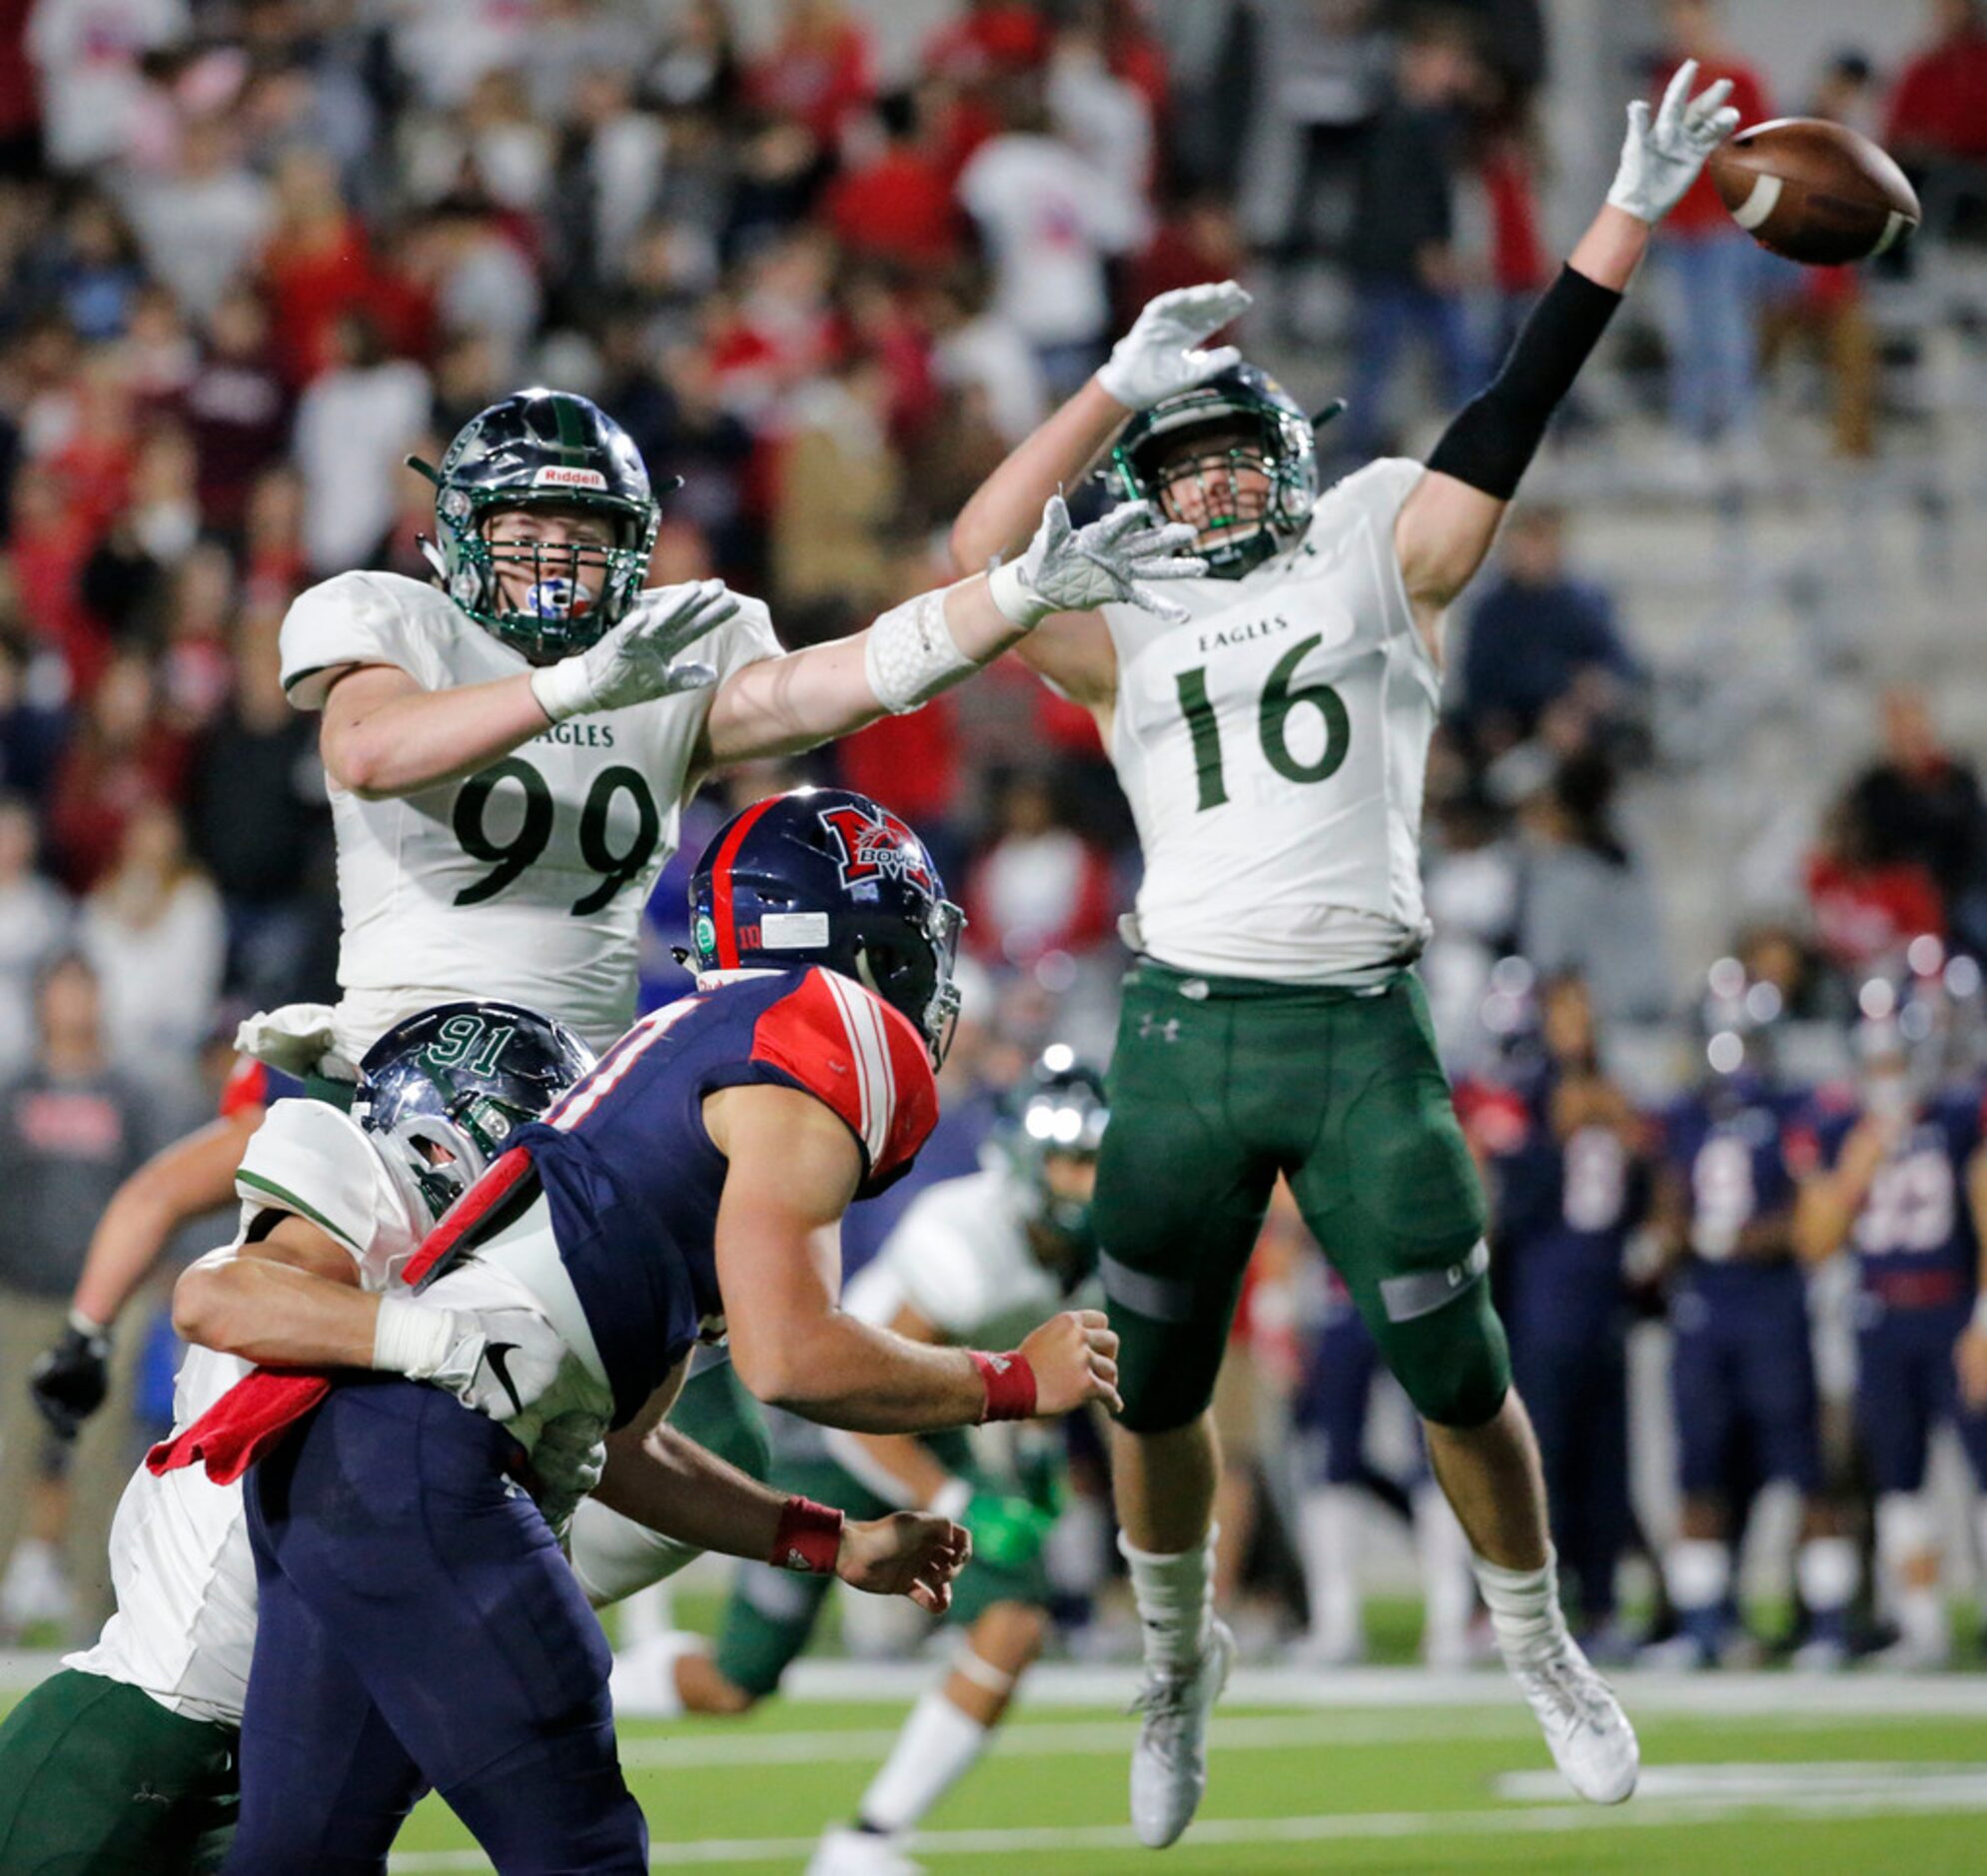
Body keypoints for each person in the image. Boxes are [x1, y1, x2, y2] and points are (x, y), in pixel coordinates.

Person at [945, 57, 1748, 1844]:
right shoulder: (1119, 614)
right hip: (1183, 1028)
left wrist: (1616, 221)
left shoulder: (1376, 534)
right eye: (1191, 456)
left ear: (1287, 456)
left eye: (1237, 450)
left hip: (1358, 1024)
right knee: (1145, 1378)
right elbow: (972, 554)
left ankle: (1537, 1637)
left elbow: (1508, 412)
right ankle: (1174, 1658)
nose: (1219, 482)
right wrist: (1104, 386)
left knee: (1454, 1366)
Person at [26, 383, 1195, 1555]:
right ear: (460, 536)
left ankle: (480, 1661)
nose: (552, 566)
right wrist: (575, 686)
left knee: (601, 1461)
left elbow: (836, 679)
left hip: (585, 1125)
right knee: (289, 1448)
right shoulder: (391, 620)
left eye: (581, 540)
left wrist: (1011, 600)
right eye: (525, 534)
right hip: (407, 1091)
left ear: (631, 548)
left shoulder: (670, 652)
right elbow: (369, 750)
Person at [154, 790, 1121, 1873]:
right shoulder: (826, 1027)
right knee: (586, 1850)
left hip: (331, 1468)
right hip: (427, 1469)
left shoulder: (681, 1057)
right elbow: (790, 1354)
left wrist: (825, 1538)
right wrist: (1007, 1381)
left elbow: (614, 1442)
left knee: (299, 1859)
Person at [605, 1056, 1110, 1876]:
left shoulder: (1076, 1248)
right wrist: (955, 1497)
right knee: (736, 1686)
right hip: (833, 1424)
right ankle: (577, 1686)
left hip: (926, 1420)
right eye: (1070, 1162)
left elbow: (1020, 1366)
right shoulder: (965, 1245)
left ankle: (867, 1843)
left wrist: (1031, 1457)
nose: (1085, 1185)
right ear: (1023, 1158)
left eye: (1096, 1163)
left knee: (1013, 1618)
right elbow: (862, 1407)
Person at [1648, 987, 1858, 1670]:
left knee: (1804, 1472)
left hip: (1772, 1312)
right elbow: (1668, 1199)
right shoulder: (1685, 1116)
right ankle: (1704, 1624)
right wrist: (1685, 1234)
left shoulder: (1793, 1111)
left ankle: (1826, 1621)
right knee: (1699, 1473)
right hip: (1705, 1315)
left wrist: (1732, 1238)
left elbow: (1808, 1213)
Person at [1791, 986, 1987, 1668]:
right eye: (1874, 1062)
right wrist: (1853, 1176)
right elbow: (1814, 1243)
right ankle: (1922, 1626)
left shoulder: (1961, 1115)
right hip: (1878, 1318)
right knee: (1899, 1480)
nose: (1887, 1075)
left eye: (1896, 1059)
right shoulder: (1841, 1128)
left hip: (1954, 1310)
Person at [1468, 975, 1650, 1649]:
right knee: (1540, 1460)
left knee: (1605, 1460)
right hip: (1541, 1302)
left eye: (1584, 1008)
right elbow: (1510, 1204)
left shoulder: (1613, 1089)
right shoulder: (1527, 1093)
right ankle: (1529, 1604)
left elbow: (1640, 1192)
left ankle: (1600, 1602)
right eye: (1565, 1009)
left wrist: (1622, 1131)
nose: (1578, 1022)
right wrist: (1552, 1134)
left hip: (1605, 1299)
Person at [0, 953, 174, 1642]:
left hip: (109, 1305)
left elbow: (153, 1192)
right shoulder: (13, 1090)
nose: (72, 1001)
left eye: (83, 986)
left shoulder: (129, 1093)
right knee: (8, 1450)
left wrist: (150, 1281)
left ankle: (94, 1621)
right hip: (19, 1296)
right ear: (41, 1000)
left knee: (102, 1460)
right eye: (61, 987)